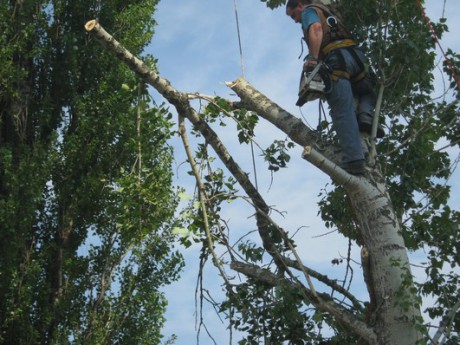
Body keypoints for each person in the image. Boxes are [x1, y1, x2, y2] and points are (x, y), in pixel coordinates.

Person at [286, 0, 384, 175]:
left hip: (337, 60)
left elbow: (316, 28)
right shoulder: (331, 12)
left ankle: (354, 161)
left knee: (342, 109)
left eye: (293, 15)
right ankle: (366, 116)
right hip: (358, 58)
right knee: (369, 90)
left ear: (300, 4)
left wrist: (314, 58)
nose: (294, 20)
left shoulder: (309, 11)